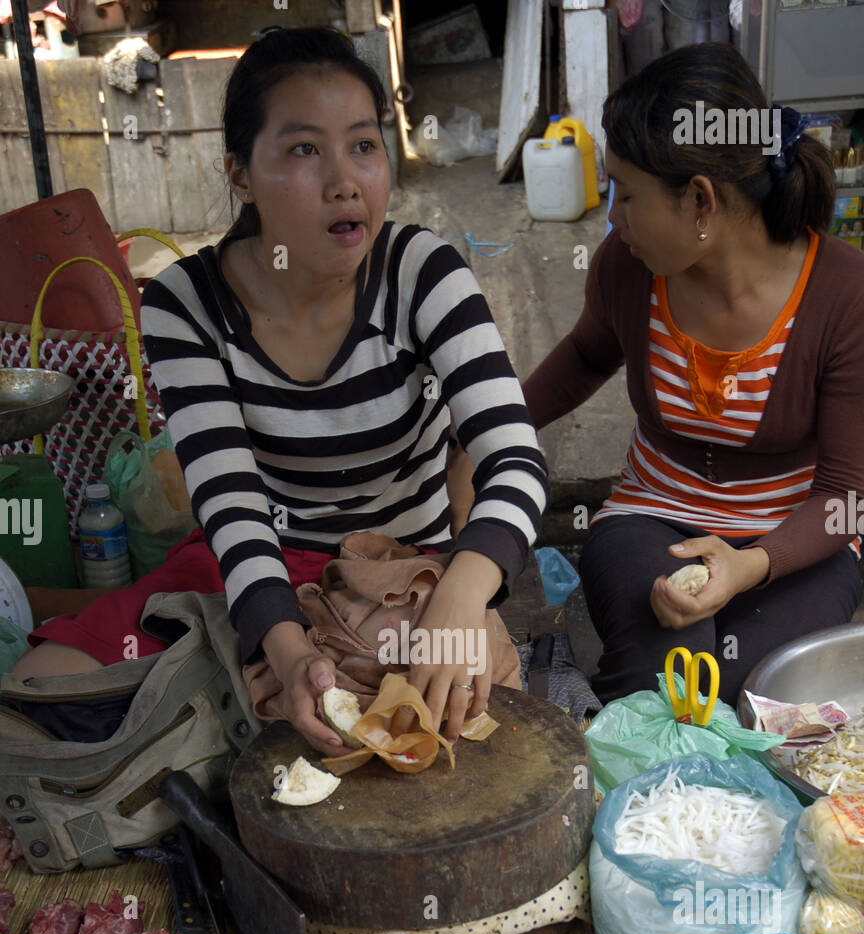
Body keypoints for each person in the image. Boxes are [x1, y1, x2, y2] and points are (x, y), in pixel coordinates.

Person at [13, 26, 547, 752]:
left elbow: (514, 460)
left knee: (418, 729)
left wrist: (461, 595)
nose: (345, 180)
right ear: (239, 175)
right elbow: (232, 509)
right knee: (41, 692)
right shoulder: (185, 305)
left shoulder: (424, 272)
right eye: (304, 149)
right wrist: (288, 648)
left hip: (399, 571)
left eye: (364, 144)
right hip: (258, 564)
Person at [521, 43, 864, 707]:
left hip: (796, 535)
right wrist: (485, 425)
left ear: (700, 202)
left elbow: (847, 495)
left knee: (748, 699)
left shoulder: (843, 296)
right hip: (654, 518)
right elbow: (589, 355)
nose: (612, 215)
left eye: (627, 192)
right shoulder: (629, 267)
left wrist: (746, 567)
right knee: (670, 688)